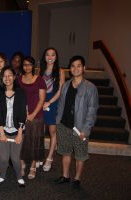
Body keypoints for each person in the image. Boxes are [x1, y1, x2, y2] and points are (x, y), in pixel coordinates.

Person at [54, 55, 98, 188]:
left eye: (79, 66)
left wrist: (86, 129)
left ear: (84, 68)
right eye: (73, 66)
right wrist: (58, 121)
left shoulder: (90, 87)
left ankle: (77, 179)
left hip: (80, 128)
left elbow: (92, 110)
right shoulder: (66, 85)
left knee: (80, 155)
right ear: (70, 69)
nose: (75, 68)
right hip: (64, 125)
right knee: (65, 152)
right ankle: (65, 176)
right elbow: (61, 104)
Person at [0, 67, 26, 187]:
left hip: (17, 131)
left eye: (10, 75)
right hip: (3, 130)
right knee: (3, 158)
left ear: (14, 77)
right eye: (4, 76)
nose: (7, 78)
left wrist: (19, 134)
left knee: (15, 158)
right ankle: (2, 175)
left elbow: (23, 115)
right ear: (2, 78)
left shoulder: (21, 92)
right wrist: (2, 133)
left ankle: (19, 176)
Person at [18, 56, 46, 180]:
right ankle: (22, 163)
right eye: (25, 64)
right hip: (22, 114)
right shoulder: (18, 79)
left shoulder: (39, 79)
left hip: (36, 115)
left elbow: (42, 99)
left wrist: (33, 114)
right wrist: (23, 113)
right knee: (23, 140)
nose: (27, 67)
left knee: (35, 141)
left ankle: (33, 165)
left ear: (33, 66)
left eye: (29, 64)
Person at [39, 47, 65, 172]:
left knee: (52, 131)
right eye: (47, 55)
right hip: (41, 101)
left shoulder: (60, 71)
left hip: (53, 102)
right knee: (40, 130)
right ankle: (39, 156)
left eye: (53, 55)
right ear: (44, 57)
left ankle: (49, 158)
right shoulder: (40, 71)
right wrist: (41, 102)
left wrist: (49, 101)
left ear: (56, 57)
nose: (50, 57)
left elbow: (61, 90)